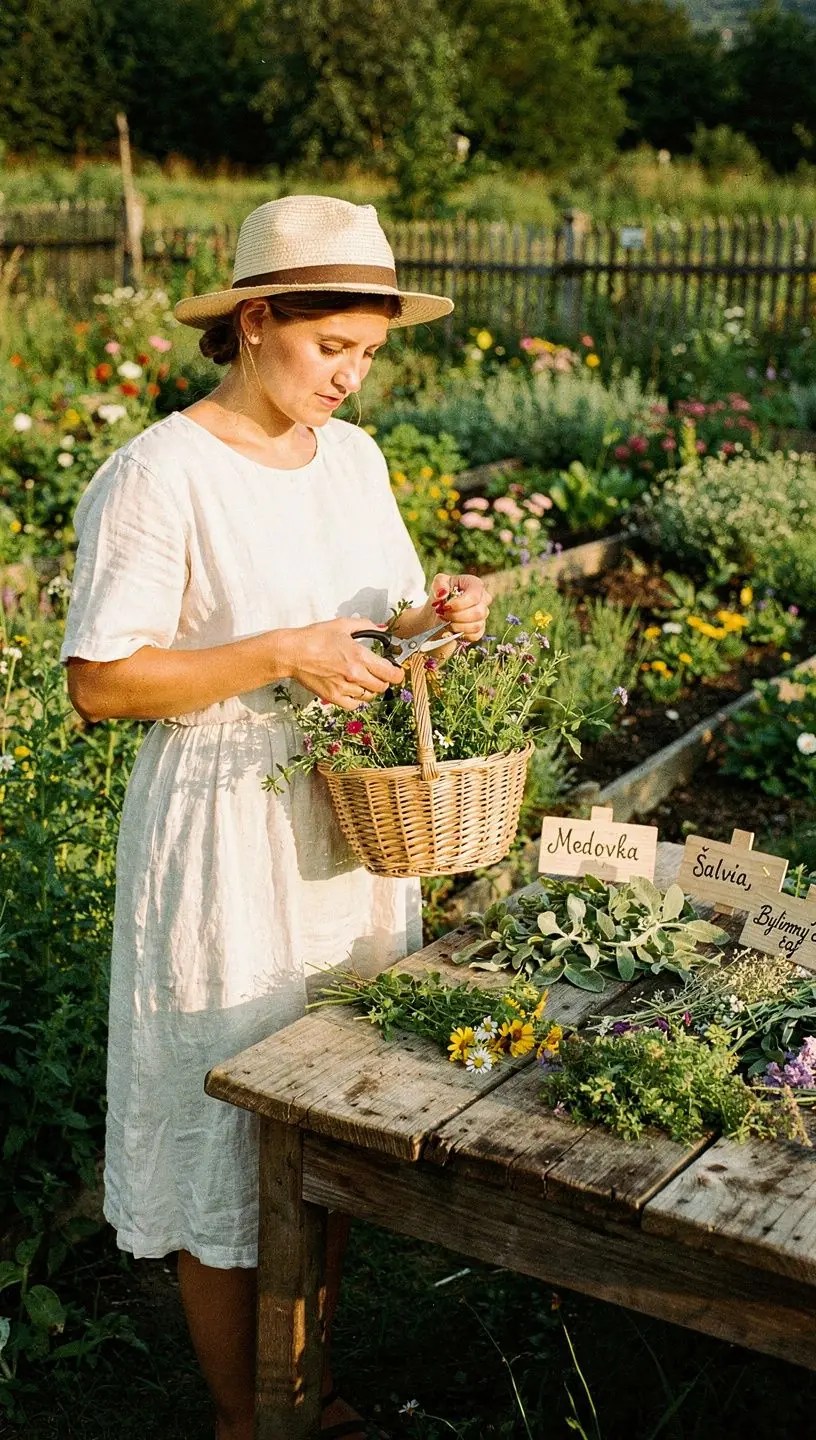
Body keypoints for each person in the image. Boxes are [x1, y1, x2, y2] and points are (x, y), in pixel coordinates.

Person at [61, 194, 489, 1440]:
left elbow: (370, 625)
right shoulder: (161, 471)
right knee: (224, 1135)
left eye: (368, 354)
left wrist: (430, 627)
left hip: (345, 827)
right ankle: (246, 1420)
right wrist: (280, 654)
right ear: (255, 321)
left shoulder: (353, 460)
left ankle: (312, 1392)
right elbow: (102, 682)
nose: (351, 379)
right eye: (330, 349)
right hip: (226, 836)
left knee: (334, 1117)